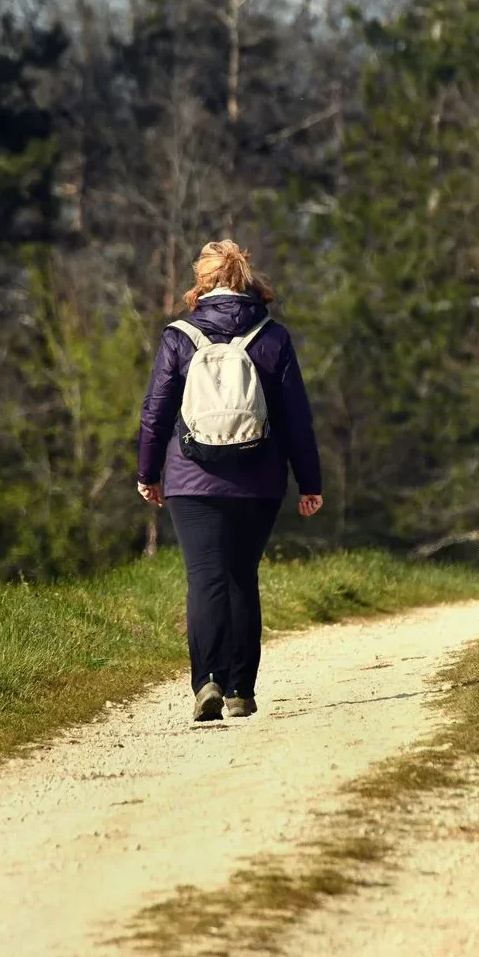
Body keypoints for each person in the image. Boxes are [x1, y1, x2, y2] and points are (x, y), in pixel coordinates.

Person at [137, 241, 324, 722]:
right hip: (258, 479)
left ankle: (207, 683)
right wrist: (309, 482)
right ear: (245, 280)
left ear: (204, 281)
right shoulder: (272, 336)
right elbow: (296, 418)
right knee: (242, 577)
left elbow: (156, 413)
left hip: (191, 477)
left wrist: (148, 472)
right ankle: (241, 690)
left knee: (205, 579)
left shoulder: (179, 335)